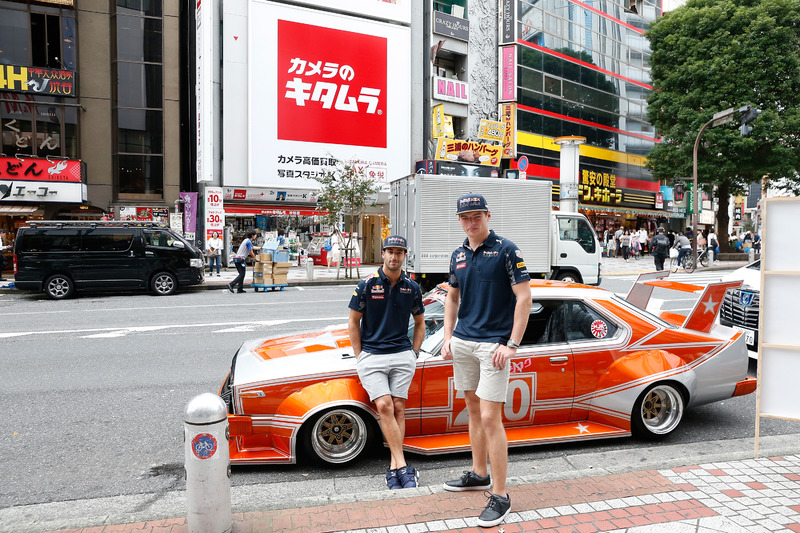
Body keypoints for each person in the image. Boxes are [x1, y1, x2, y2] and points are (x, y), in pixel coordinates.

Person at [441, 193, 532, 528]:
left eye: (476, 216)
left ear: (488, 216)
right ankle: (479, 474)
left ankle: (501, 494)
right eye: (465, 217)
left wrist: (512, 344)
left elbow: (525, 298)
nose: (471, 222)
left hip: (493, 346)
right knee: (473, 410)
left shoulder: (507, 250)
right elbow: (452, 296)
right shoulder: (458, 254)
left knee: (492, 418)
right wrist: (449, 337)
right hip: (463, 343)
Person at [348, 235, 425, 490]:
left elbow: (421, 322)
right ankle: (403, 466)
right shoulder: (367, 285)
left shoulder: (412, 287)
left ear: (405, 256)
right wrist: (360, 356)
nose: (394, 256)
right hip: (372, 355)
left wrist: (414, 352)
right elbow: (353, 322)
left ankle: (394, 468)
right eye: (390, 251)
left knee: (399, 407)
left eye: (399, 252)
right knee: (384, 405)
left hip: (402, 354)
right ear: (383, 253)